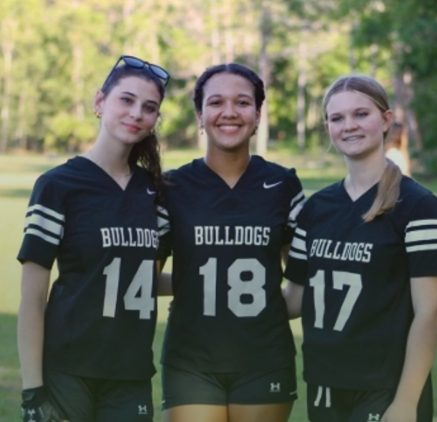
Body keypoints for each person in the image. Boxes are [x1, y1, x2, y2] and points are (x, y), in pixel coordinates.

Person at [282, 75, 437, 422]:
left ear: (386, 120)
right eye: (337, 118)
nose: (349, 126)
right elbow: (296, 300)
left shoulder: (420, 207)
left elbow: (430, 312)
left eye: (360, 114)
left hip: (386, 386)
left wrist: (407, 402)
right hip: (325, 381)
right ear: (328, 127)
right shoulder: (316, 208)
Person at [16, 55, 170, 422]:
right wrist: (32, 390)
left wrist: (213, 280)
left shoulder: (157, 192)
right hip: (67, 370)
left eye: (149, 108)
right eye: (126, 100)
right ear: (100, 102)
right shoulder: (57, 186)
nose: (136, 113)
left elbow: (144, 279)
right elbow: (33, 296)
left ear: (155, 122)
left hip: (130, 373)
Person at [157, 63, 306, 422]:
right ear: (200, 115)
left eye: (242, 102)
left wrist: (255, 309)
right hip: (191, 358)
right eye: (216, 102)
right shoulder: (172, 187)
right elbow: (143, 277)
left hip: (264, 357)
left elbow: (300, 287)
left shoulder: (283, 185)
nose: (229, 112)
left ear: (257, 115)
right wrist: (199, 291)